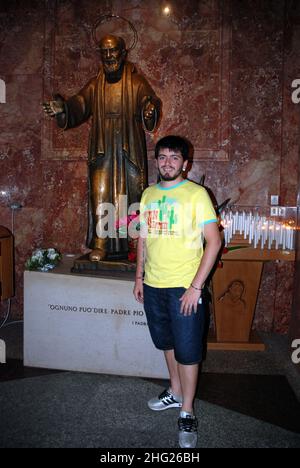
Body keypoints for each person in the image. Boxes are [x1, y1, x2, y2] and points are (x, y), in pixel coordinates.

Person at [133, 135, 221, 448]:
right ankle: (175, 391)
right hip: (153, 285)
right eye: (162, 157)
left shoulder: (196, 195)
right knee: (166, 343)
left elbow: (215, 241)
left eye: (174, 157)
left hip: (184, 287)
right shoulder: (148, 194)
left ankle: (187, 410)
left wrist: (195, 287)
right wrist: (139, 276)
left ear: (185, 163)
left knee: (188, 351)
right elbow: (143, 237)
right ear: (156, 161)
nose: (167, 163)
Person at [43, 35, 161, 262]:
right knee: (100, 193)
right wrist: (63, 108)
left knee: (130, 193)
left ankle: (133, 245)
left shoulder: (136, 83)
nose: (109, 57)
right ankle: (100, 243)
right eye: (104, 53)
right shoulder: (95, 85)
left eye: (113, 51)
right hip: (102, 147)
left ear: (123, 53)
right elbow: (79, 103)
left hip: (128, 148)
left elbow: (150, 101)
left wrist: (149, 108)